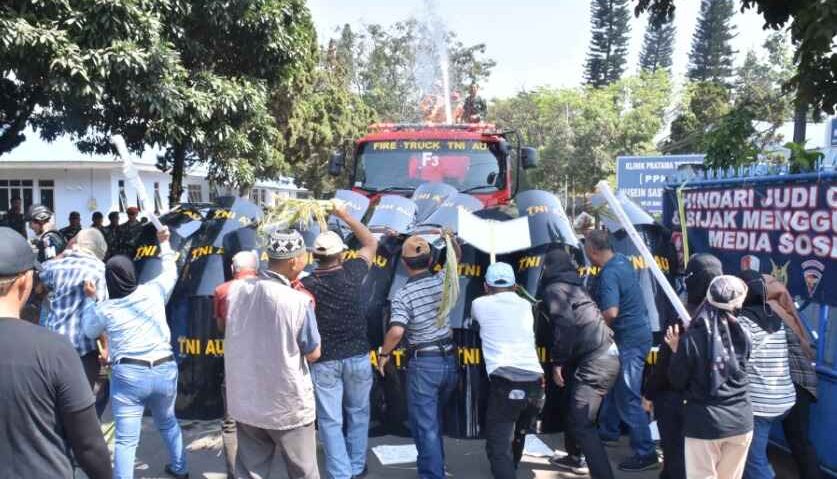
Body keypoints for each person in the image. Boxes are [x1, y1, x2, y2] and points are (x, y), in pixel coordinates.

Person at [0, 227, 111, 479]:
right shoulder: (55, 351)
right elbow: (89, 446)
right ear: (24, 282)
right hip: (76, 352)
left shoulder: (51, 268)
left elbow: (47, 277)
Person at [81, 226, 187, 479]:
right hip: (164, 368)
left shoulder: (106, 309)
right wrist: (164, 244)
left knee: (127, 440)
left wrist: (90, 299)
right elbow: (171, 269)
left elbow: (88, 330)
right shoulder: (153, 291)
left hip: (129, 375)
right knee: (168, 422)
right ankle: (180, 468)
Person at [221, 229, 322, 479]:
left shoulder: (235, 292)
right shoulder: (298, 301)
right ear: (293, 261)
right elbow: (313, 353)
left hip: (246, 401)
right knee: (304, 472)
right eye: (304, 255)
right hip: (286, 404)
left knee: (251, 472)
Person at [302, 205, 378, 479]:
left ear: (314, 256)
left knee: (330, 420)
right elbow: (371, 242)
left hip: (325, 360)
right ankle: (356, 466)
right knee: (358, 413)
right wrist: (345, 216)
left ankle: (340, 472)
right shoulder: (353, 272)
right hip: (358, 356)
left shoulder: (307, 283)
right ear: (342, 254)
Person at [377, 232, 461, 479]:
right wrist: (450, 240)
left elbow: (396, 330)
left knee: (426, 427)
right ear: (430, 258)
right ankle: (435, 467)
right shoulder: (443, 280)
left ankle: (433, 474)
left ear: (404, 263)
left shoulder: (404, 294)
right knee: (432, 422)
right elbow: (455, 258)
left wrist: (384, 353)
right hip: (448, 361)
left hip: (425, 364)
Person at [540, 249, 619, 479]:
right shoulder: (575, 285)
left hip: (596, 361)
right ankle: (574, 456)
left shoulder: (555, 289)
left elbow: (565, 325)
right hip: (602, 357)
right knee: (574, 409)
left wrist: (557, 362)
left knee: (582, 423)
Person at [644, 253, 723, 479]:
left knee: (677, 457)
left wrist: (649, 393)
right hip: (716, 405)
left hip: (677, 400)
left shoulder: (684, 315)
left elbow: (666, 363)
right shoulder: (727, 317)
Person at [584, 230, 658, 471]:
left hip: (630, 340)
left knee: (627, 395)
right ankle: (608, 431)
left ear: (593, 251)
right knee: (617, 385)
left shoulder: (609, 273)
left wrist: (596, 330)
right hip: (637, 334)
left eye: (586, 249)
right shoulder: (622, 261)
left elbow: (611, 312)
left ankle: (645, 452)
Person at [667, 275, 753, 479]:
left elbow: (677, 380)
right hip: (741, 421)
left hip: (704, 424)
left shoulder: (693, 338)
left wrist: (676, 350)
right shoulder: (744, 334)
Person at [470, 262, 545, 479]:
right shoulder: (525, 306)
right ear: (514, 286)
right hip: (536, 382)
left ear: (486, 286)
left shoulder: (479, 304)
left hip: (507, 380)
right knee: (520, 431)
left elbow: (474, 321)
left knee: (498, 445)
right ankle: (511, 468)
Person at [762, 274, 822, 479]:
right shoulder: (787, 311)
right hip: (802, 384)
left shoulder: (768, 312)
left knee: (791, 440)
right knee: (799, 440)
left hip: (789, 383)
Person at [736, 270, 796, 479]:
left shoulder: (744, 323)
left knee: (754, 459)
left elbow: (736, 362)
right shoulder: (774, 317)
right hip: (783, 398)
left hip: (762, 404)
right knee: (753, 451)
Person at [39, 228, 110, 391]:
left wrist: (64, 253)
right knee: (79, 403)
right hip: (82, 351)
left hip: (52, 347)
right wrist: (106, 347)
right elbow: (100, 315)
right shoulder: (98, 268)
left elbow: (41, 274)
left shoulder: (54, 266)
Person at [214, 251, 261, 479]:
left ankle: (234, 474)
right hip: (267, 363)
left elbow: (222, 328)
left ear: (233, 268)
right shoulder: (271, 289)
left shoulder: (223, 291)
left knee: (231, 424)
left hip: (235, 364)